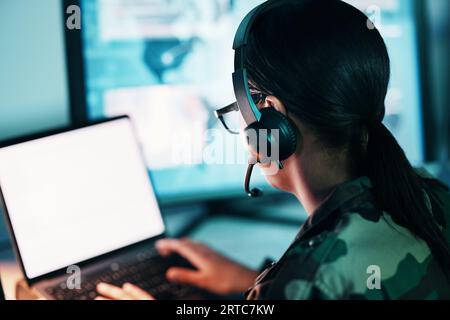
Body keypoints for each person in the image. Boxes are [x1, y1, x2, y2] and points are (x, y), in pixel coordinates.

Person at [96, 0, 450, 300]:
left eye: (241, 110)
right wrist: (255, 281)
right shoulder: (428, 194)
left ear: (271, 121)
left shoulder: (309, 281)